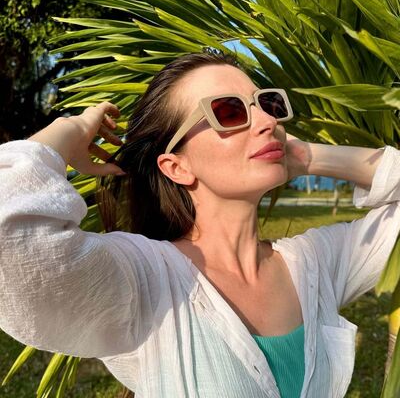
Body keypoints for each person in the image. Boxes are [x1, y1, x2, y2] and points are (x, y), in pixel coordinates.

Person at [0, 50, 399, 398]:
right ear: (177, 167)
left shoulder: (314, 263)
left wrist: (306, 156)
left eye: (268, 104)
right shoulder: (146, 279)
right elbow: (11, 240)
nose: (266, 121)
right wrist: (67, 130)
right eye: (229, 111)